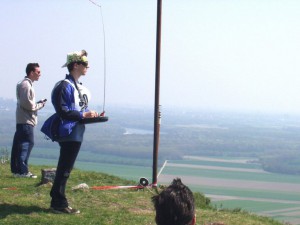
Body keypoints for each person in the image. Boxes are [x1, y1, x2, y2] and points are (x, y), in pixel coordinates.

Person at [48, 50, 100, 214]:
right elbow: (63, 111)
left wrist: (88, 115)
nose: (88, 67)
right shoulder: (64, 86)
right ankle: (58, 202)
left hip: (75, 132)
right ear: (76, 65)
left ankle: (58, 199)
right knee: (64, 168)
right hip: (69, 133)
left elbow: (76, 110)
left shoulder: (74, 86)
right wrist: (83, 115)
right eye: (85, 64)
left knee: (66, 168)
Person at [11, 63, 46, 178]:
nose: (40, 74)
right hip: (26, 121)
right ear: (31, 72)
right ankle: (23, 171)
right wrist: (40, 105)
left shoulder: (24, 83)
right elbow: (27, 104)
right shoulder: (26, 85)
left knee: (20, 145)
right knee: (27, 144)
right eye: (38, 72)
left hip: (23, 120)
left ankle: (17, 170)